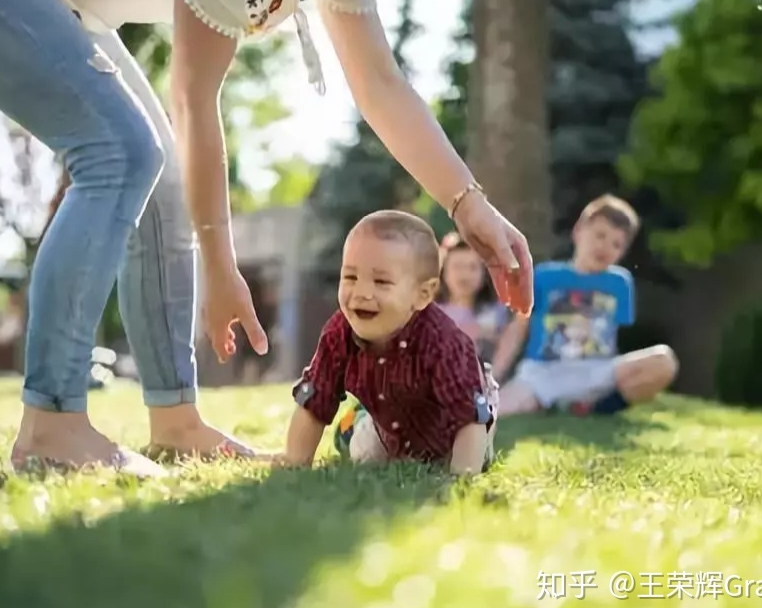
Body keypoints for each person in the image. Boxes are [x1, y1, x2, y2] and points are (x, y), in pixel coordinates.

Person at [0, 0, 532, 477]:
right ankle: (50, 427)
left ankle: (175, 422)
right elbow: (194, 98)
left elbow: (380, 86)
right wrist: (221, 268)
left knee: (160, 171)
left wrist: (467, 204)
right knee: (122, 151)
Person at [277, 211, 498, 475]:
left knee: (466, 461)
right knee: (366, 455)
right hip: (391, 422)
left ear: (423, 294)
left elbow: (469, 418)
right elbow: (314, 399)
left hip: (458, 425)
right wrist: (295, 462)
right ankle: (355, 425)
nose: (361, 293)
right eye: (350, 278)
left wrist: (463, 478)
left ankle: (362, 421)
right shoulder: (339, 334)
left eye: (381, 282)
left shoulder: (443, 342)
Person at [491, 195, 679, 417]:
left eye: (616, 244)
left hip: (597, 370)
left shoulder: (620, 283)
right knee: (496, 409)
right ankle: (551, 402)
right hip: (544, 373)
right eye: (600, 235)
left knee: (664, 360)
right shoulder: (544, 276)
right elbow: (518, 329)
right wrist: (494, 376)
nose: (605, 247)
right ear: (578, 231)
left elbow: (611, 337)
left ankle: (594, 407)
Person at [436, 232, 512, 362]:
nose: (465, 275)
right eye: (457, 267)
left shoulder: (496, 311)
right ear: (443, 271)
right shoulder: (431, 312)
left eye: (473, 268)